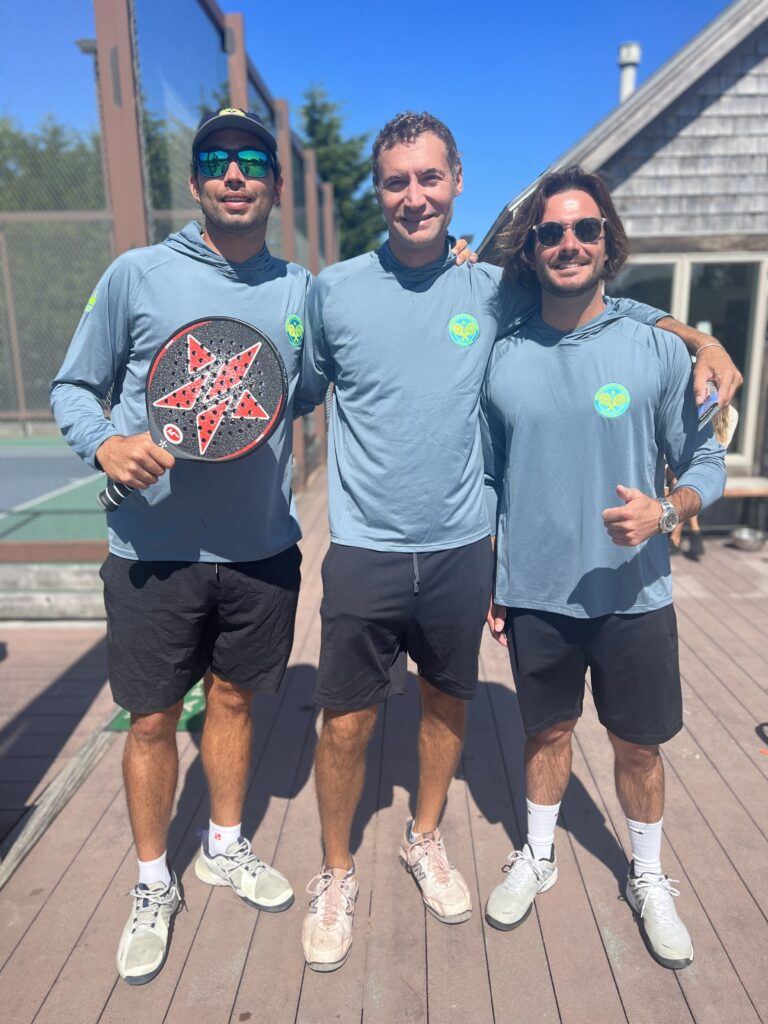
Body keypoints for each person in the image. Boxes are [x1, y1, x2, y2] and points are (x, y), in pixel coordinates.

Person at [296, 112, 737, 973]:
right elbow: (307, 388)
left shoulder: (505, 296)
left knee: (480, 710)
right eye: (396, 180)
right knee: (361, 722)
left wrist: (699, 338)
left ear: (457, 181)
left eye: (430, 177)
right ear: (378, 190)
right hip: (393, 552)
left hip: (511, 561)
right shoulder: (352, 293)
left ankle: (458, 844)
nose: (414, 195)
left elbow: (608, 309)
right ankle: (346, 871)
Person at [51, 108, 309, 986]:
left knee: (233, 702)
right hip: (151, 552)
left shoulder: (300, 291)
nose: (235, 173)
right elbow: (73, 387)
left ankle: (224, 849)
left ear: (275, 183)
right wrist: (105, 445)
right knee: (154, 720)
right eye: (217, 160)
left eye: (252, 160)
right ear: (196, 181)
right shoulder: (137, 274)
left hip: (260, 550)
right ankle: (153, 880)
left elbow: (320, 381)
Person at [481, 166, 726, 970]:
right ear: (532, 249)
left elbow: (707, 462)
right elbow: (489, 480)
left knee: (638, 747)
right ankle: (538, 854)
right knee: (546, 732)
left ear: (607, 242)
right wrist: (492, 577)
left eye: (585, 229)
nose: (569, 243)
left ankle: (647, 875)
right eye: (551, 232)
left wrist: (668, 512)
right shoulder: (503, 356)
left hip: (635, 595)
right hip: (537, 592)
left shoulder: (655, 348)